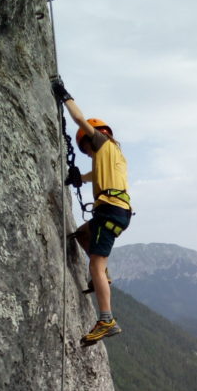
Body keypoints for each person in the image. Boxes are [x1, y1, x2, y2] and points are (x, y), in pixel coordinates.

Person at [51, 78, 132, 346]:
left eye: (85, 147)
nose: (86, 152)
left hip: (109, 210)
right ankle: (103, 278)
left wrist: (65, 96)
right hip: (116, 212)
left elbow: (78, 119)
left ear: (92, 138)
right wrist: (78, 179)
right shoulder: (113, 155)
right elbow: (93, 175)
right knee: (83, 234)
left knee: (96, 265)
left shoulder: (100, 143)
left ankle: (106, 319)